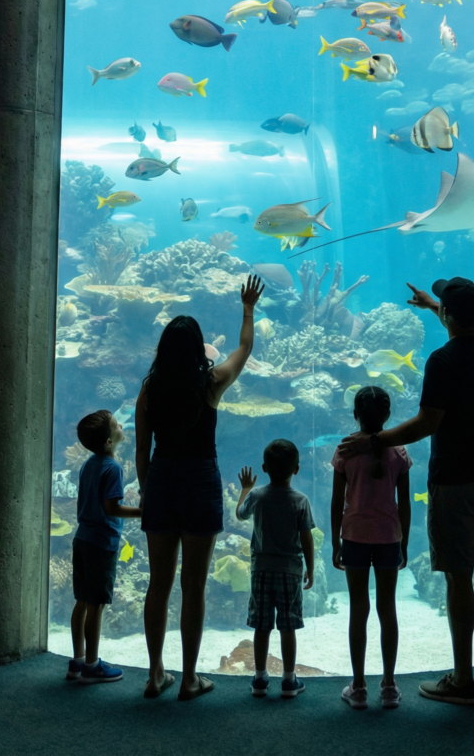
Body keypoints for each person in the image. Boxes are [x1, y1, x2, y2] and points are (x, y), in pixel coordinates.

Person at [339, 276, 474, 707]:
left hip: (456, 481)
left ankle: (462, 679)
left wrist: (374, 440)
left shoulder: (441, 361)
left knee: (459, 576)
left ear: (449, 316)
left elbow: (426, 423)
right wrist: (435, 305)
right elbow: (464, 329)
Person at [135, 274, 264, 700]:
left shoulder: (149, 390)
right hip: (200, 480)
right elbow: (243, 349)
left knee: (158, 584)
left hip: (161, 479)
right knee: (194, 585)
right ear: (196, 349)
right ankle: (188, 678)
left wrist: (148, 494)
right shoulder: (209, 383)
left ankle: (155, 674)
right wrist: (247, 309)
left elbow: (140, 451)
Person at [330, 385, 411, 710]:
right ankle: (389, 685)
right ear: (388, 416)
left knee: (358, 609)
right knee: (387, 608)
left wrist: (336, 539)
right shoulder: (399, 452)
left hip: (355, 536)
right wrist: (404, 540)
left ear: (355, 415)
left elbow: (337, 500)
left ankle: (359, 685)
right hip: (389, 537)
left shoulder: (346, 450)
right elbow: (404, 502)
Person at [235, 439, 315, 699]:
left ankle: (259, 679)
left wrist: (246, 488)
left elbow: (240, 515)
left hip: (261, 570)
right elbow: (307, 539)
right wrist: (310, 569)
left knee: (262, 625)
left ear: (264, 468)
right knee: (287, 626)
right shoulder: (300, 501)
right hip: (290, 571)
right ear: (297, 469)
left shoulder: (257, 495)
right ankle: (289, 680)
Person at [68, 409, 141, 684]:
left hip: (82, 538)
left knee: (82, 601)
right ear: (110, 442)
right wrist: (143, 512)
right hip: (101, 543)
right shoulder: (113, 468)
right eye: (116, 425)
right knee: (97, 605)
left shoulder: (88, 464)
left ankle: (77, 660)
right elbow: (112, 507)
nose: (122, 425)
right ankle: (92, 665)